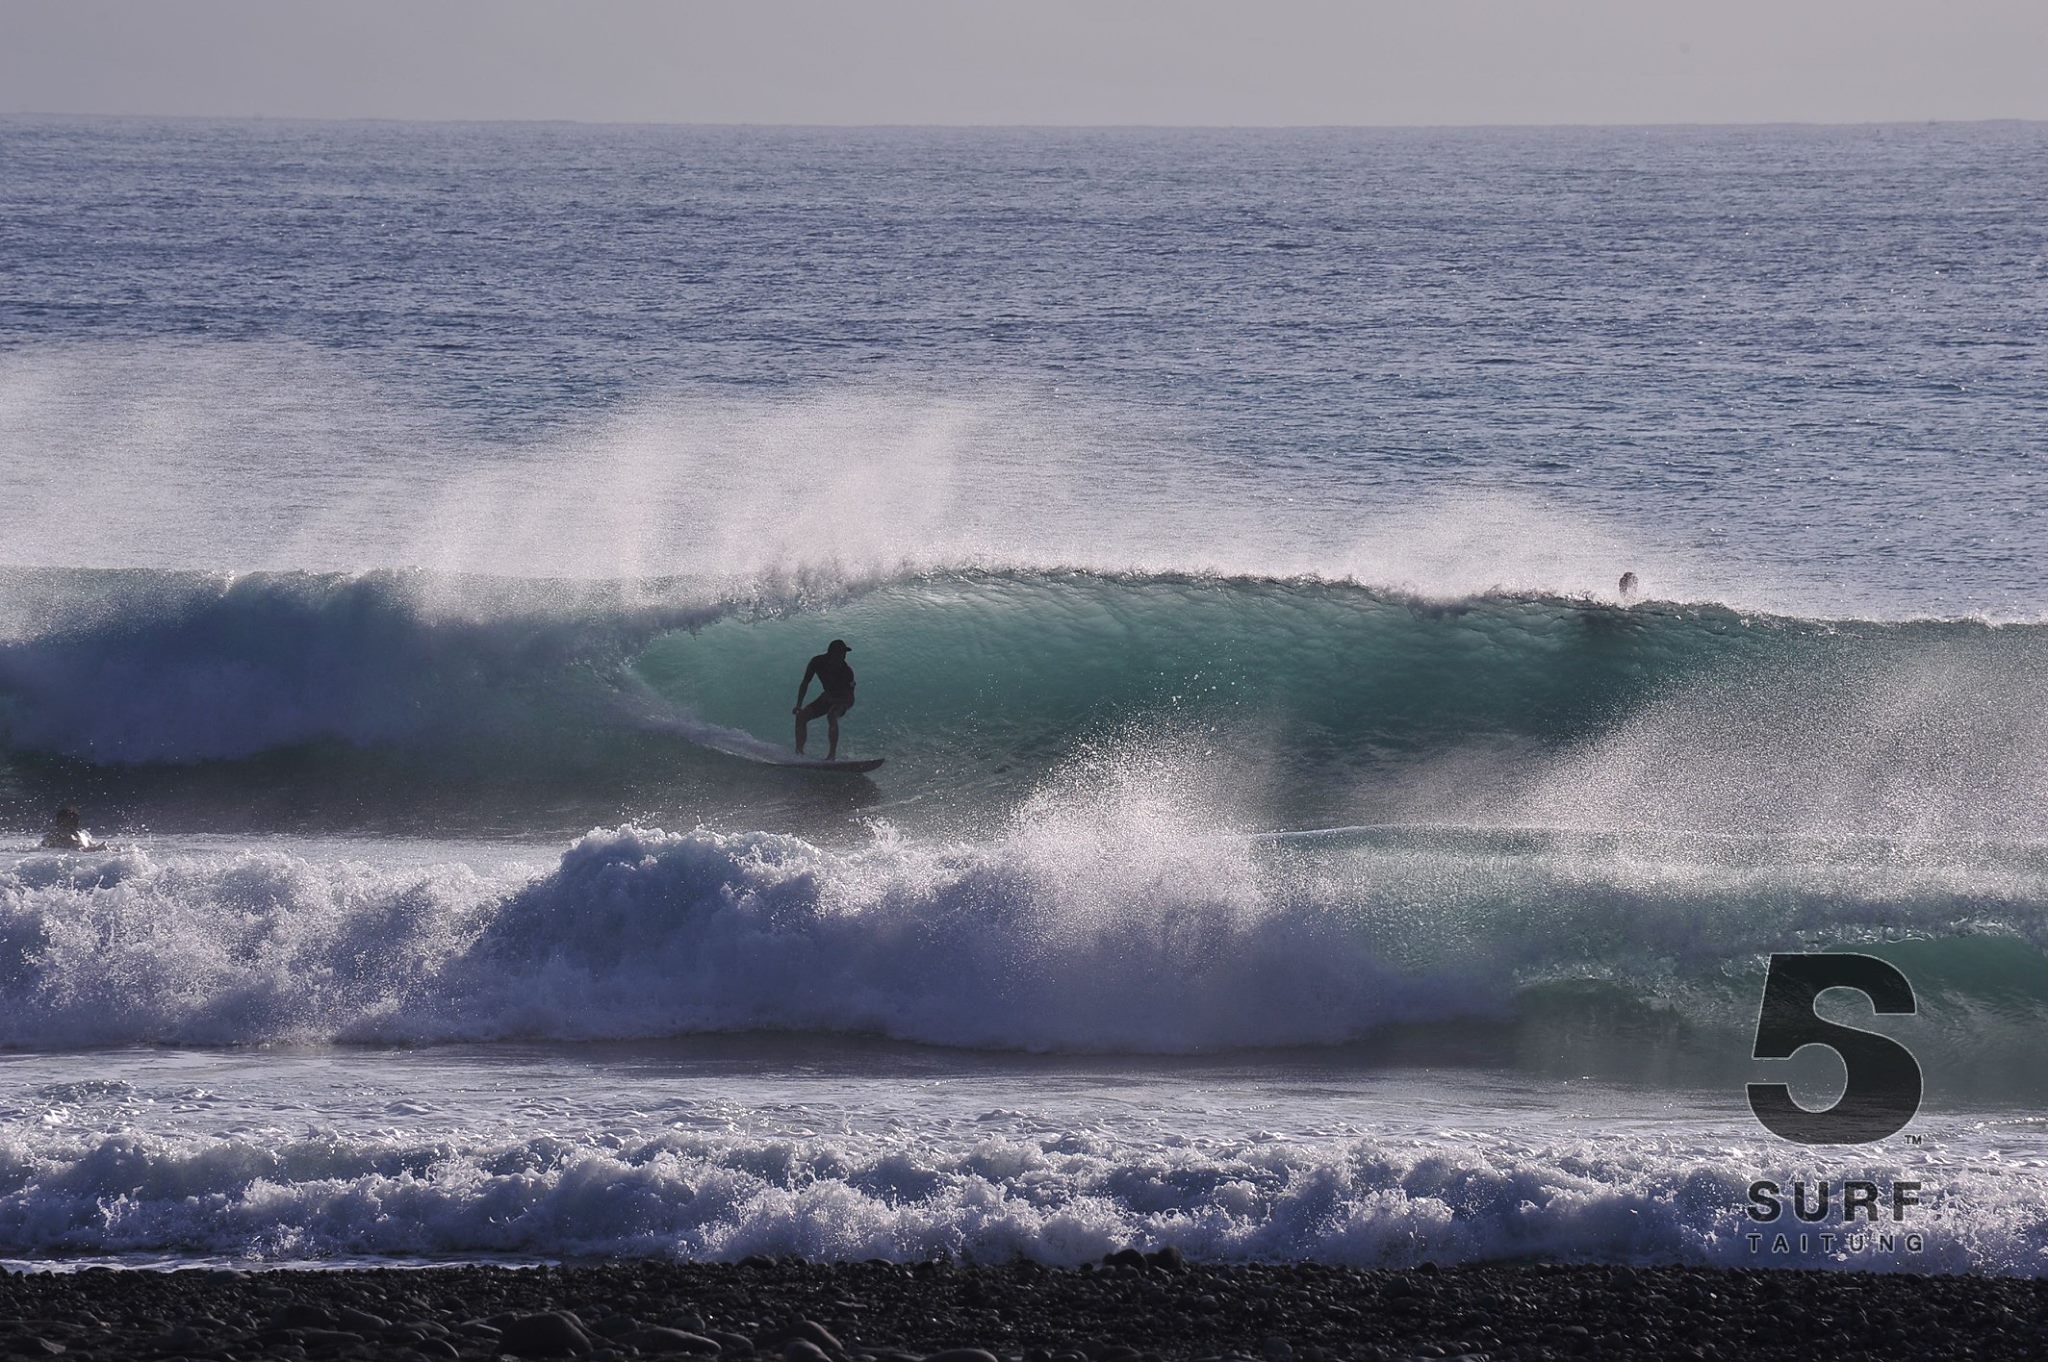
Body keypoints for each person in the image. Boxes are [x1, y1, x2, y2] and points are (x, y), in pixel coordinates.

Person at [792, 639, 856, 759]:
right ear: (831, 653)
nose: (844, 656)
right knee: (801, 716)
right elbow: (805, 682)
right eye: (841, 653)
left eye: (844, 653)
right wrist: (798, 705)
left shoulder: (846, 671)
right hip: (827, 697)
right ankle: (799, 753)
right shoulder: (817, 662)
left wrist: (835, 700)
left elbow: (849, 695)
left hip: (844, 699)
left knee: (832, 715)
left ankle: (831, 756)